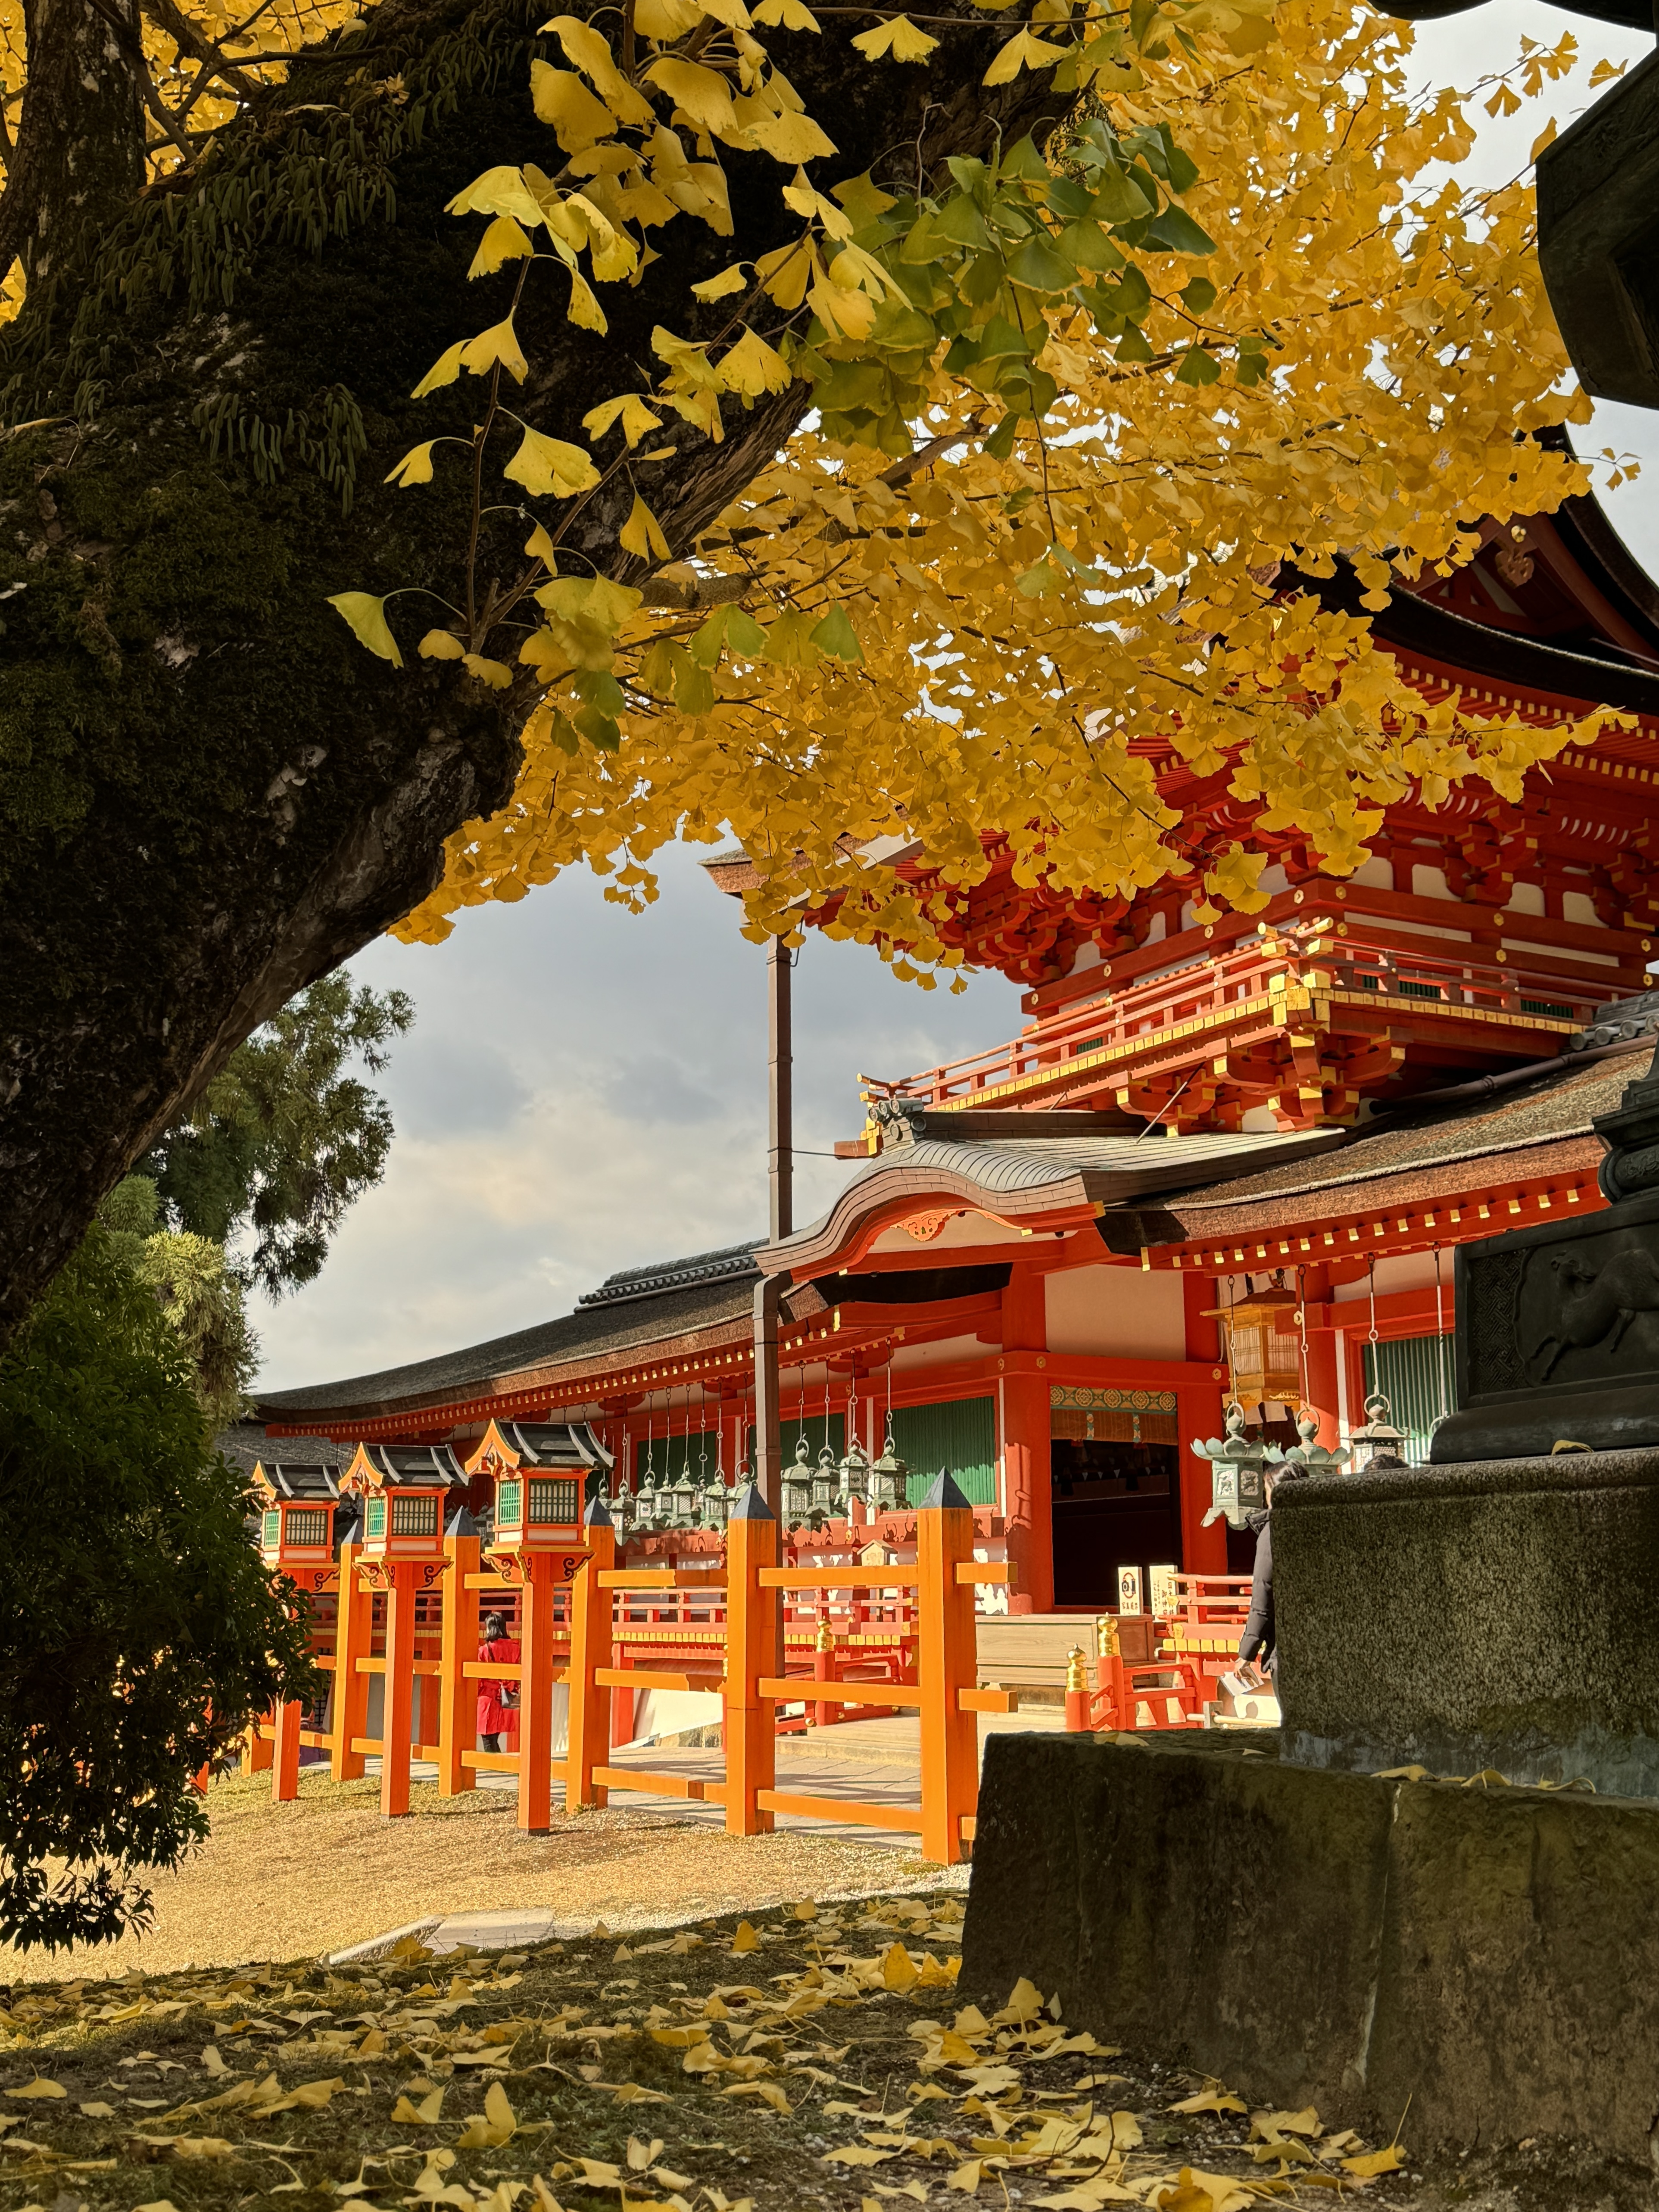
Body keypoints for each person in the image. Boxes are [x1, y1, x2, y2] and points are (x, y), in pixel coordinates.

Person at [1237, 1465, 1305, 1695]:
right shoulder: (1322, 1525)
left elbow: (1264, 1595)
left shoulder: (1273, 1531)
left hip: (1287, 1651)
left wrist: (1246, 1653)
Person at [477, 1611, 521, 1751]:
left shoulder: (484, 1650)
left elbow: (478, 1678)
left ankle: (495, 1770)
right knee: (494, 1739)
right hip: (506, 1698)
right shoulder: (516, 1648)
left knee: (488, 1740)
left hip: (488, 1698)